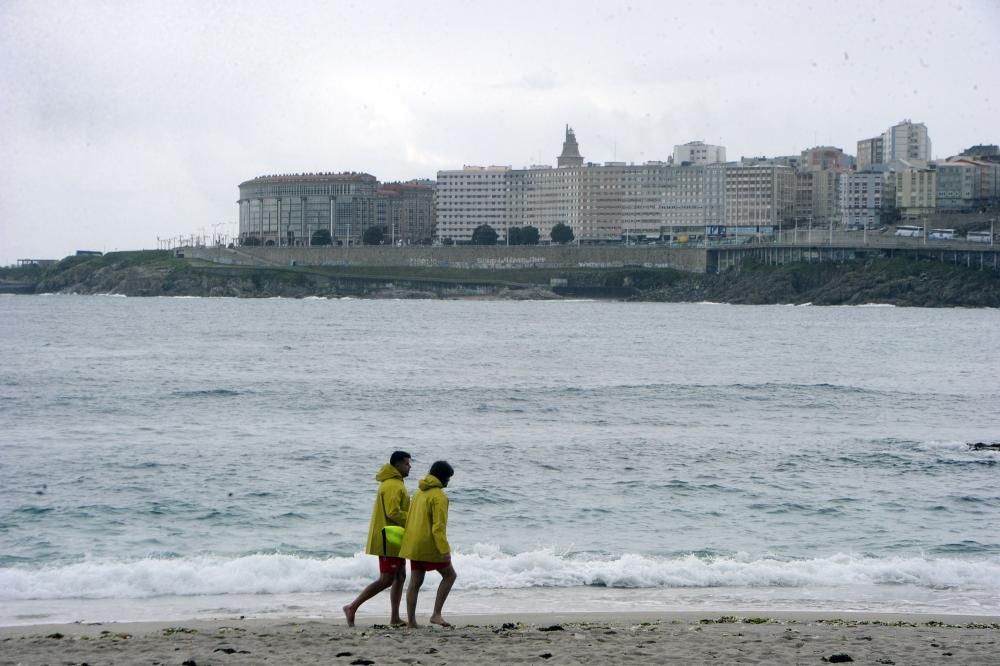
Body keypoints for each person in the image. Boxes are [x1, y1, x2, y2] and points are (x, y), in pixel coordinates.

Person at [343, 451, 412, 627]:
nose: (409, 466)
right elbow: (393, 512)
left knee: (400, 576)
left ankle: (395, 617)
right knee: (387, 579)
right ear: (397, 465)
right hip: (388, 538)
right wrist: (413, 519)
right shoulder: (393, 485)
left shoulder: (394, 483)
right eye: (406, 463)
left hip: (394, 537)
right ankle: (352, 607)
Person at [399, 460, 456, 628]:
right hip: (429, 545)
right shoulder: (439, 497)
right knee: (450, 575)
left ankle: (411, 622)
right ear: (443, 477)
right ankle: (436, 614)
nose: (449, 481)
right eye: (448, 478)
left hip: (414, 544)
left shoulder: (418, 493)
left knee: (415, 582)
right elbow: (438, 528)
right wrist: (444, 549)